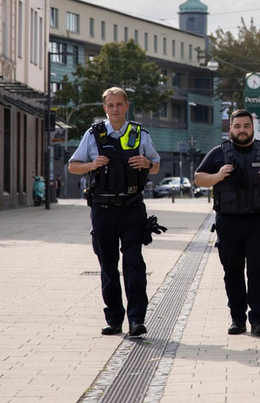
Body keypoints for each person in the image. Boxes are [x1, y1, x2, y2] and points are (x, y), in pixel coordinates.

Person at [68, 87, 161, 337]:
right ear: (105, 108)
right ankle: (114, 319)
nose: (116, 109)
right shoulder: (93, 135)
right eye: (111, 105)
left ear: (127, 106)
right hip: (103, 209)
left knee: (134, 263)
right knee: (108, 265)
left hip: (132, 207)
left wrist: (147, 163)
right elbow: (73, 167)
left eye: (120, 105)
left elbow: (156, 164)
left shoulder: (139, 134)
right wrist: (91, 164)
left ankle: (137, 320)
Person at [194, 109, 260, 336]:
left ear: (252, 128)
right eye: (238, 126)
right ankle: (237, 319)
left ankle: (258, 320)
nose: (242, 130)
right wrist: (217, 176)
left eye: (246, 126)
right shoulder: (218, 153)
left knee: (258, 270)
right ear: (231, 129)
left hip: (258, 221)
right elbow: (198, 178)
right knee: (232, 271)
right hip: (228, 222)